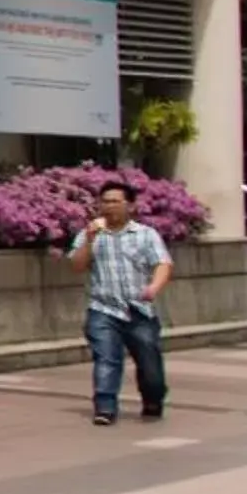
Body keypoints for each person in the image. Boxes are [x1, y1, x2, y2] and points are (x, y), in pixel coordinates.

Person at [69, 182, 172, 426]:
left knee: (150, 365)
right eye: (105, 201)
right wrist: (90, 241)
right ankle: (105, 407)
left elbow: (163, 264)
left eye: (115, 201)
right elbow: (77, 266)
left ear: (130, 205)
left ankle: (153, 398)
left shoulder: (145, 234)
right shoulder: (90, 234)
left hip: (139, 310)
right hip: (103, 309)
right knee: (106, 359)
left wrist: (154, 288)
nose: (109, 206)